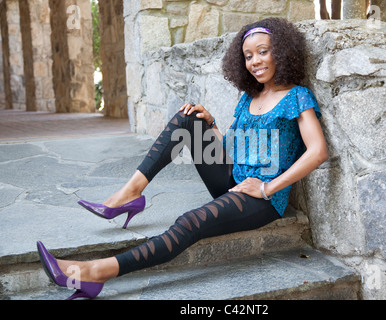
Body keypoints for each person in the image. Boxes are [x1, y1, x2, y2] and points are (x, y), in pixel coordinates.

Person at [37, 17, 329, 300]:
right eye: (248, 56)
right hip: (233, 178)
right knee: (188, 117)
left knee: (190, 221)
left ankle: (95, 272)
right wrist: (210, 127)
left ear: (281, 51)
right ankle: (131, 192)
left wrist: (267, 188)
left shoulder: (297, 96)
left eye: (263, 52)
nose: (255, 62)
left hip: (262, 199)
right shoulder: (248, 97)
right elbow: (234, 148)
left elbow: (318, 152)